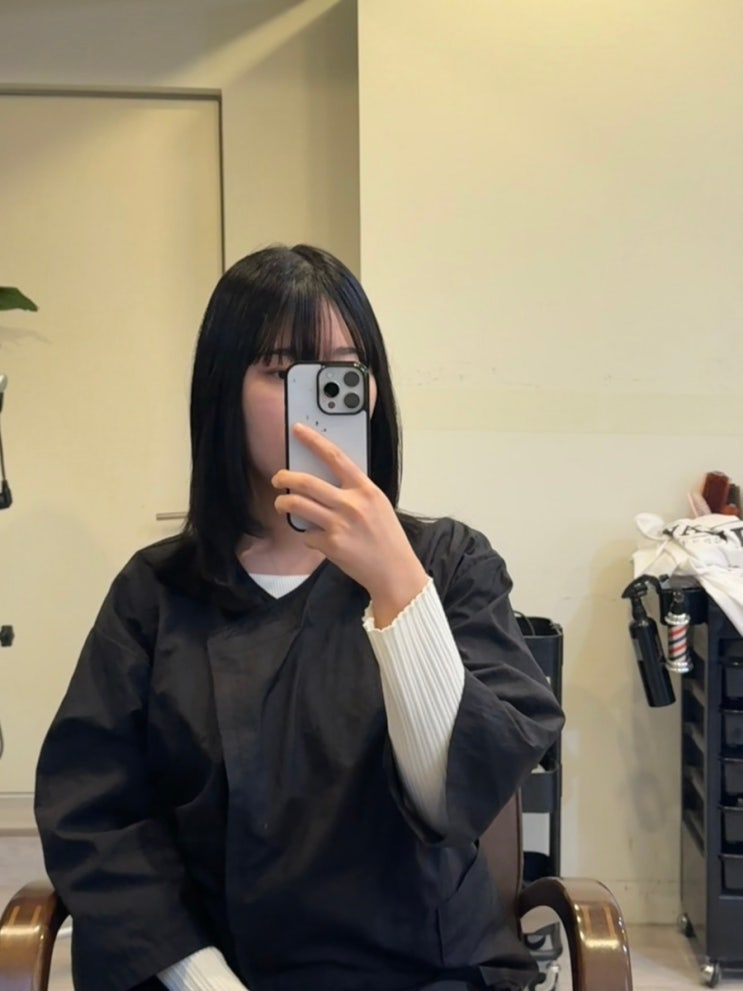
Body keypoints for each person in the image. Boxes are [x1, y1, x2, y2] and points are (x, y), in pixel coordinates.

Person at [35, 244, 564, 991]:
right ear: (222, 390)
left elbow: (454, 795)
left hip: (423, 969)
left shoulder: (448, 563)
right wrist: (201, 978)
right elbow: (96, 813)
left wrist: (397, 587)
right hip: (217, 969)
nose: (315, 399)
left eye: (343, 371)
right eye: (281, 370)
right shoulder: (155, 592)